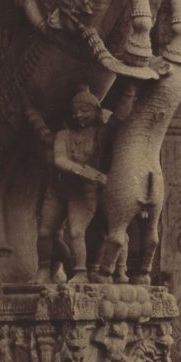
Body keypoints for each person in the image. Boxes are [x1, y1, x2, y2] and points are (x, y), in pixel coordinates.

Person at [44, 87, 111, 278]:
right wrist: (86, 172)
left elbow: (117, 123)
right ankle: (47, 269)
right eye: (75, 111)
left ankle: (83, 272)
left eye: (84, 110)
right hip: (63, 188)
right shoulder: (63, 135)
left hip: (86, 191)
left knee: (77, 232)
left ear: (96, 111)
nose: (79, 115)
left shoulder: (101, 134)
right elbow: (59, 159)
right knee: (45, 233)